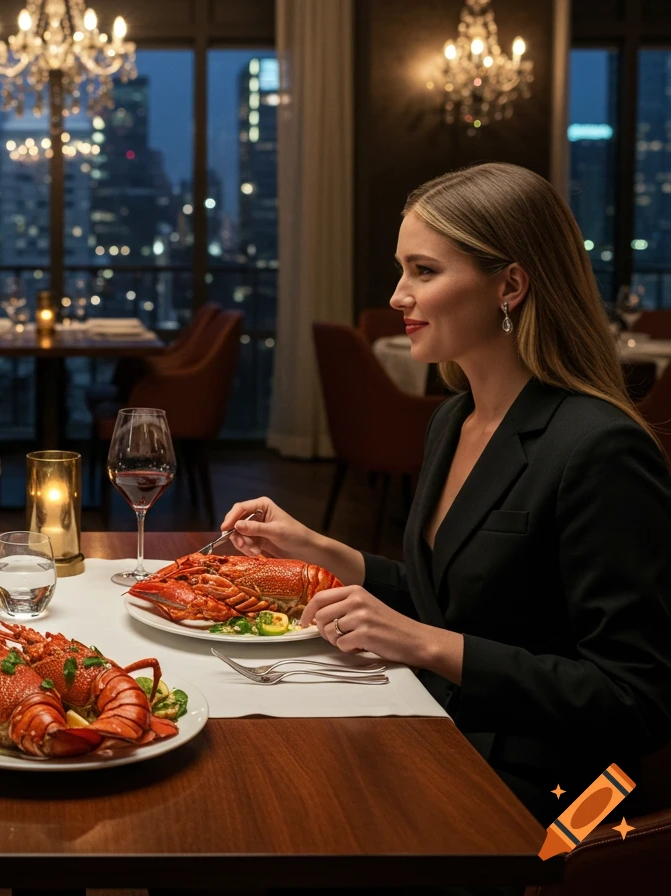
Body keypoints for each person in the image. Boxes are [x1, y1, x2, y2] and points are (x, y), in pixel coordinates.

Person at [222, 162, 671, 829]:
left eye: (424, 271)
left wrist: (427, 647)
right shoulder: (453, 419)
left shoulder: (599, 447)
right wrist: (318, 550)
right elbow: (454, 600)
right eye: (402, 270)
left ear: (509, 285)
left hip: (553, 799)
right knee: (248, 780)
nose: (400, 295)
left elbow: (637, 698)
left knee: (278, 824)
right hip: (439, 726)